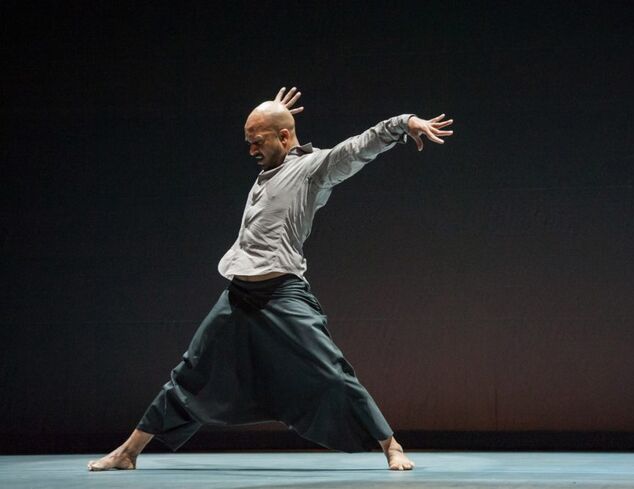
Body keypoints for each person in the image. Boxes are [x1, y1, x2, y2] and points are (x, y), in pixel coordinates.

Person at [87, 87, 453, 472]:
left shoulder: (314, 168)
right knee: (189, 372)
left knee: (331, 370)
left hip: (282, 292)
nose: (250, 150)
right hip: (239, 293)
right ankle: (127, 453)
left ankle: (392, 446)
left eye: (257, 141)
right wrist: (273, 117)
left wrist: (403, 124)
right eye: (248, 142)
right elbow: (275, 136)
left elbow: (360, 146)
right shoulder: (269, 170)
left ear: (283, 137)